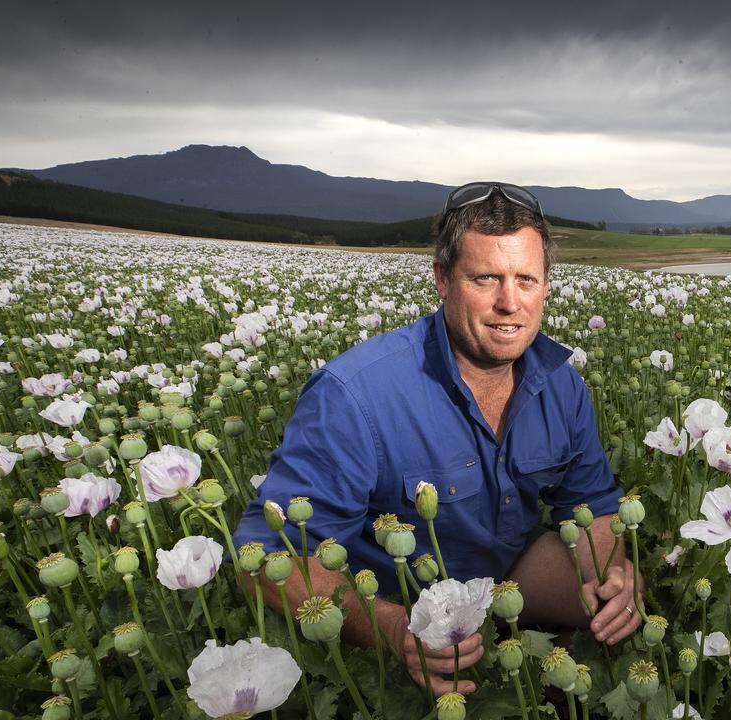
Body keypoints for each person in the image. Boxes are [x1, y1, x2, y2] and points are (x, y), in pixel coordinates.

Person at [233, 182, 642, 696]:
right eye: (485, 278)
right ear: (442, 280)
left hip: (505, 580)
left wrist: (612, 574)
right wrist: (393, 630)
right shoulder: (356, 395)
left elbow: (594, 505)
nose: (508, 303)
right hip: (393, 610)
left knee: (620, 593)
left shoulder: (562, 383)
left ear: (546, 285)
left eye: (526, 279)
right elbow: (266, 558)